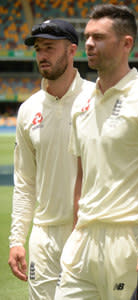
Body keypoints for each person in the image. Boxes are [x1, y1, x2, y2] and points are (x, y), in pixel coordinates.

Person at [55, 4, 138, 299]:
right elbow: (82, 176)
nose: (88, 43)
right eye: (87, 36)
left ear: (126, 44)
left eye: (98, 37)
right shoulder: (82, 103)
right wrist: (76, 231)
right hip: (83, 241)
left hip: (129, 240)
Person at [7, 19, 94, 299]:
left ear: (71, 50)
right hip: (43, 237)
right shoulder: (28, 110)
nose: (42, 55)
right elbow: (25, 182)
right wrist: (17, 239)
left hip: (89, 232)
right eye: (38, 49)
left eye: (49, 47)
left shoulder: (97, 99)